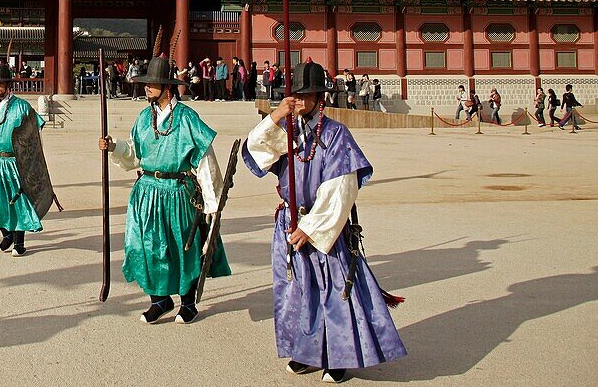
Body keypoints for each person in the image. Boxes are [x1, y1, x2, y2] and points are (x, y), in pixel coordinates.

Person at [243, 61, 406, 382]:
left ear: (321, 97)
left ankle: (338, 357)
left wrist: (312, 226)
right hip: (288, 223)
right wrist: (276, 116)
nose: (301, 101)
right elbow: (256, 151)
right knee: (296, 292)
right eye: (296, 95)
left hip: (323, 226)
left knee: (331, 291)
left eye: (308, 94)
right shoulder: (286, 131)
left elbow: (343, 187)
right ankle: (306, 352)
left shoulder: (335, 134)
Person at [99, 50, 231, 324]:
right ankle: (159, 299)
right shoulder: (143, 118)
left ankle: (188, 301)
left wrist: (211, 202)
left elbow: (205, 160)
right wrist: (113, 146)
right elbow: (134, 153)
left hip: (177, 191)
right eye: (145, 82)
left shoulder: (186, 118)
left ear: (167, 88)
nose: (146, 87)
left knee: (182, 246)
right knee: (147, 246)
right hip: (146, 191)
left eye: (152, 83)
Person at [0, 58, 55, 256]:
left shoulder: (22, 107)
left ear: (8, 85)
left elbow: (34, 137)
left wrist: (31, 162)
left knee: (17, 201)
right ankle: (6, 235)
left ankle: (19, 241)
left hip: (15, 162)